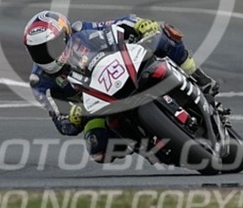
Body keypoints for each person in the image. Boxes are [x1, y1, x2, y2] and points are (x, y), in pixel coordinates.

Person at [23, 10, 219, 163]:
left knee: (163, 33)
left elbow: (119, 24)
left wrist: (141, 25)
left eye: (51, 46)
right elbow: (60, 120)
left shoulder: (81, 30)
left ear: (65, 36)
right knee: (99, 149)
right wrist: (72, 117)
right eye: (38, 51)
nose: (46, 54)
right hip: (96, 106)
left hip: (120, 69)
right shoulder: (40, 82)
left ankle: (199, 78)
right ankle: (143, 143)